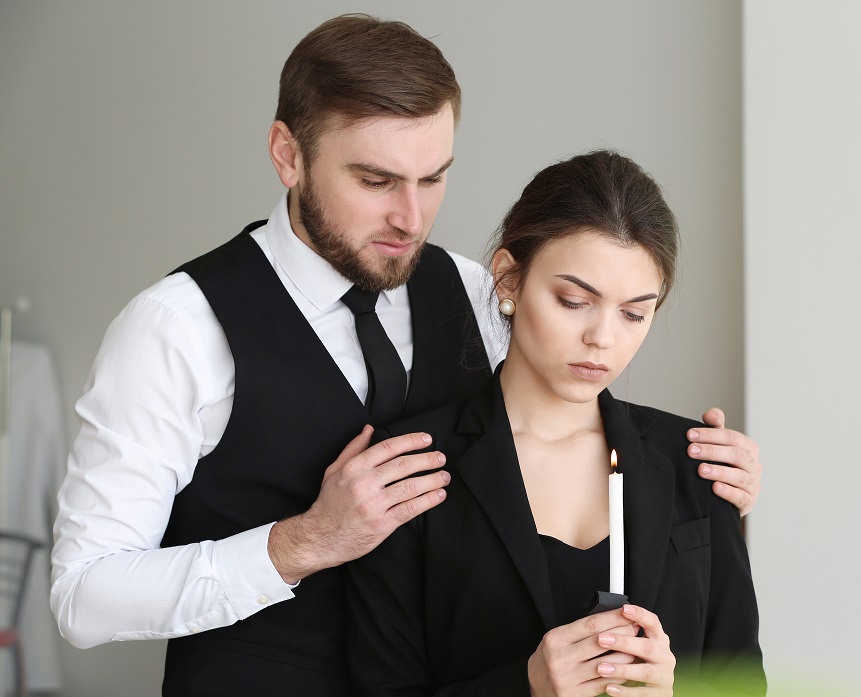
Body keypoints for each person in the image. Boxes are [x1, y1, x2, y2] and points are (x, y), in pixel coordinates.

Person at [49, 14, 762, 697]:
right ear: (287, 154)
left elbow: (552, 437)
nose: (411, 217)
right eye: (376, 180)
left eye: (433, 178)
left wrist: (701, 485)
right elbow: (82, 597)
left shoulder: (475, 290)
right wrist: (301, 542)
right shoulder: (176, 328)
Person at [344, 150, 765, 697]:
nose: (603, 338)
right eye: (573, 301)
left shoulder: (698, 464)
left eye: (634, 313)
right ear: (508, 280)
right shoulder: (412, 467)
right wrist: (527, 687)